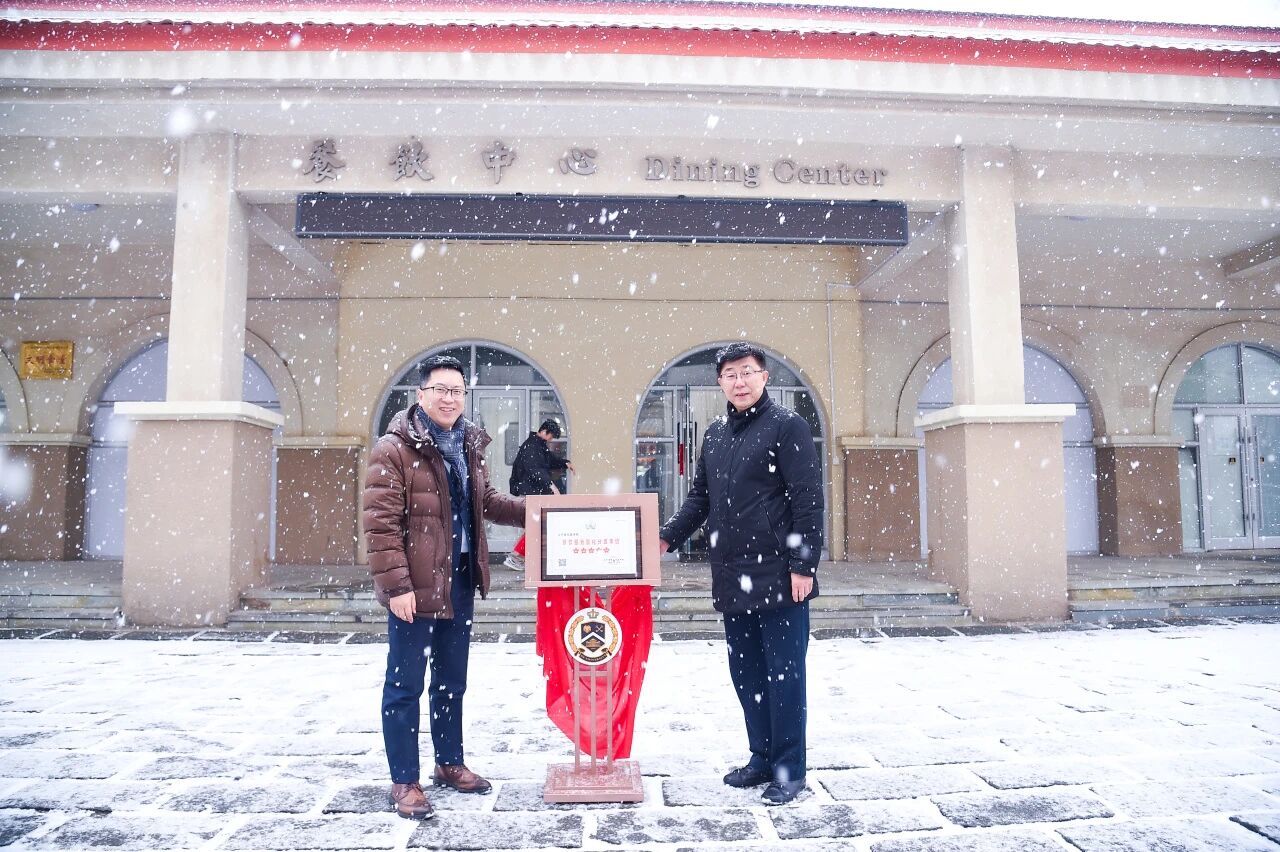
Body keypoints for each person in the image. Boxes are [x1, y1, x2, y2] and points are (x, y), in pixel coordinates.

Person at [658, 342, 823, 806]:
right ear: (720, 383)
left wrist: (803, 565)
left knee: (785, 676)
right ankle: (762, 757)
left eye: (748, 372)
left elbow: (808, 500)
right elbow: (700, 498)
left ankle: (790, 770)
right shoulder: (715, 435)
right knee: (747, 674)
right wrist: (666, 537)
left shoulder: (787, 427)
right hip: (732, 576)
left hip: (780, 576)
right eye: (730, 374)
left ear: (764, 377)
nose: (740, 381)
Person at [363, 354, 525, 820]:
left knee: (451, 681)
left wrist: (534, 512)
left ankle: (449, 763)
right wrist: (397, 587)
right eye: (441, 390)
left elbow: (486, 501)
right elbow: (380, 526)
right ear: (421, 395)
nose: (450, 398)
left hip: (459, 580)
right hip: (414, 586)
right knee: (404, 684)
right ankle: (405, 780)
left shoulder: (468, 444)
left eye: (457, 391)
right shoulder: (393, 449)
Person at [502, 419, 574, 572]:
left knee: (536, 525)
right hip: (531, 492)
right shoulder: (532, 447)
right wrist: (551, 485)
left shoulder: (538, 445)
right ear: (545, 432)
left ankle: (519, 556)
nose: (551, 440)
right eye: (551, 436)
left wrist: (565, 463)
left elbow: (549, 460)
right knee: (537, 525)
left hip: (534, 492)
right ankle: (516, 556)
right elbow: (536, 470)